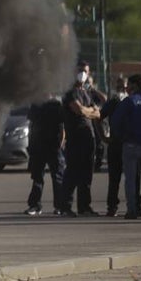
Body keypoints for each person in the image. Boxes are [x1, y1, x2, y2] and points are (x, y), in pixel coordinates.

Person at [110, 73, 141, 219]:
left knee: (130, 180)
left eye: (129, 84)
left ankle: (132, 211)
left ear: (134, 85)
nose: (127, 87)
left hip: (131, 145)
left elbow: (115, 120)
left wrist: (120, 136)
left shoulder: (129, 101)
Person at [59, 61, 101, 217]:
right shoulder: (70, 92)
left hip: (88, 138)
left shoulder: (85, 92)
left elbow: (97, 113)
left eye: (85, 71)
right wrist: (89, 111)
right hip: (75, 137)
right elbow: (79, 110)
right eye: (80, 70)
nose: (83, 74)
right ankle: (65, 207)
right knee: (72, 173)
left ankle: (85, 207)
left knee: (86, 174)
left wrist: (88, 111)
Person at [100, 75, 140, 217]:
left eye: (124, 87)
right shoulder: (114, 101)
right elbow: (99, 116)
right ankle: (112, 206)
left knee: (135, 176)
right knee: (114, 177)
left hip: (130, 143)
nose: (122, 90)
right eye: (119, 87)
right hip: (116, 143)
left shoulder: (135, 102)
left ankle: (137, 205)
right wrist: (103, 136)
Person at [25, 91, 68, 216]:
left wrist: (61, 143)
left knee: (57, 177)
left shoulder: (56, 105)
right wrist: (30, 144)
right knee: (37, 177)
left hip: (54, 146)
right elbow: (31, 126)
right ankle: (35, 205)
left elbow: (62, 126)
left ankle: (59, 206)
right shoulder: (36, 105)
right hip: (39, 146)